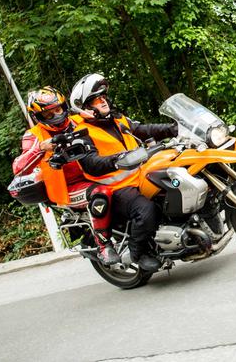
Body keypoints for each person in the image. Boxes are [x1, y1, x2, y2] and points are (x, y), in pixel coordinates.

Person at [69, 73, 177, 272]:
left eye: (103, 97)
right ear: (84, 107)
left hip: (142, 175)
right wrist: (117, 160)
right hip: (117, 187)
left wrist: (173, 129)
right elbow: (90, 163)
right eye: (96, 99)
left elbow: (143, 129)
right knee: (146, 210)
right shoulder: (80, 134)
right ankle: (139, 253)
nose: (103, 102)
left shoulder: (117, 120)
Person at [12, 86, 121, 265]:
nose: (56, 115)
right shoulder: (34, 136)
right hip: (67, 187)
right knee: (101, 193)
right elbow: (18, 166)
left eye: (58, 109)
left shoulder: (77, 120)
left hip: (96, 174)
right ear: (38, 117)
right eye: (49, 114)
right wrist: (40, 148)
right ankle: (104, 245)